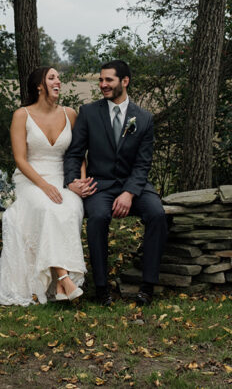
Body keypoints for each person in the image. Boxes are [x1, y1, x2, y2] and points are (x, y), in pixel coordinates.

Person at [63, 59, 168, 306]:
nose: (102, 85)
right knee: (97, 218)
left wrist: (130, 193)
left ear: (125, 81)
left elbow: (143, 164)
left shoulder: (144, 118)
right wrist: (71, 182)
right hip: (100, 185)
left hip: (135, 186)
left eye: (108, 80)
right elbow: (75, 153)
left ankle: (147, 286)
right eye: (101, 80)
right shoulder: (88, 113)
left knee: (157, 214)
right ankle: (101, 288)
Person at [0, 66, 87, 305]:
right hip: (31, 179)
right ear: (39, 86)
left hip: (63, 178)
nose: (58, 81)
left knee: (71, 207)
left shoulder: (70, 114)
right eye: (52, 77)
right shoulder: (21, 115)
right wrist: (43, 185)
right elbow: (20, 159)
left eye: (59, 78)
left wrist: (79, 181)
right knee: (47, 208)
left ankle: (63, 283)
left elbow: (78, 154)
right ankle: (64, 279)